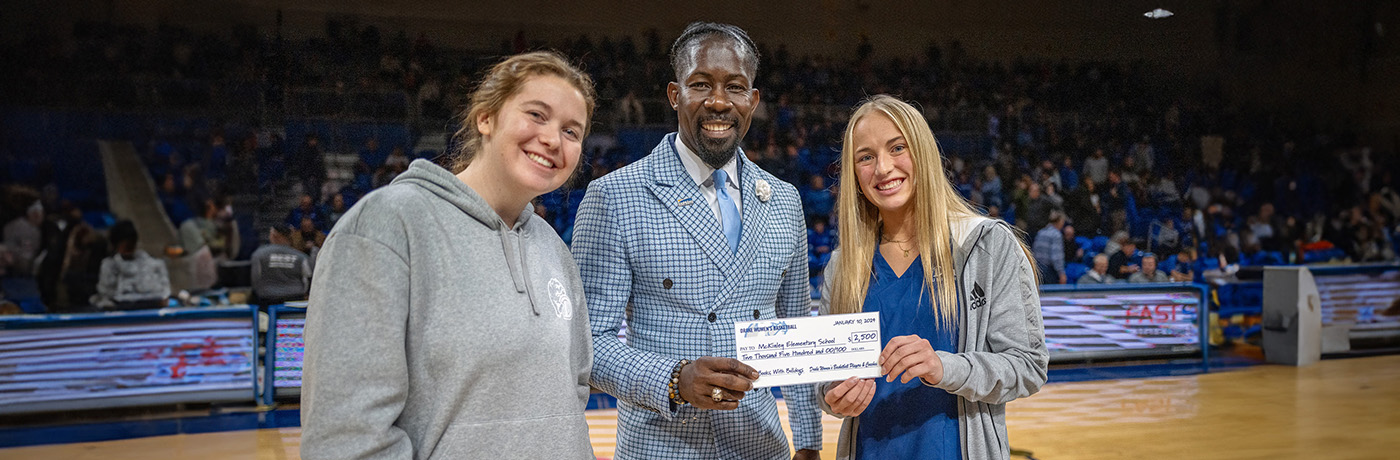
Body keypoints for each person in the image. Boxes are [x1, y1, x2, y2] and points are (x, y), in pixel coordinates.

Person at [300, 51, 597, 460]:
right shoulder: (386, 225)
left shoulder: (553, 249)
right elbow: (346, 436)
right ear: (486, 118)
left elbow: (573, 390)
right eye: (536, 114)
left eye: (571, 131)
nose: (552, 139)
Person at [571, 22, 820, 460]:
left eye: (735, 87)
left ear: (753, 100)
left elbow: (797, 334)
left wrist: (808, 441)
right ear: (674, 94)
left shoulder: (784, 199)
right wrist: (675, 378)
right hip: (660, 445)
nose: (719, 102)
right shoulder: (615, 196)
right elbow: (588, 343)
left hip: (760, 445)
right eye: (701, 84)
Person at [815, 95, 1047, 460]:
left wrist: (944, 366)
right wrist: (833, 397)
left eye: (897, 148)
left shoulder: (986, 245)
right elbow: (826, 382)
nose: (883, 168)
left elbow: (1027, 366)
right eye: (866, 156)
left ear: (922, 153)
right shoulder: (843, 265)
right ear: (854, 173)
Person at [94, 220, 170, 310]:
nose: (129, 247)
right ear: (115, 245)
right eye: (125, 244)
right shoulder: (108, 265)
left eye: (131, 243)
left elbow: (164, 293)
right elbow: (106, 295)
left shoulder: (154, 264)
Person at [249, 225, 311, 305]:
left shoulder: (259, 254)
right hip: (295, 300)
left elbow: (255, 277)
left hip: (267, 300)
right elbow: (308, 278)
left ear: (274, 235)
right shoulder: (301, 257)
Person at [1033, 211, 1067, 284]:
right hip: (1049, 271)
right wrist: (1061, 273)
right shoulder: (1056, 235)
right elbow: (1056, 256)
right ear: (1059, 221)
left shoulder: (1041, 232)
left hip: (1038, 269)